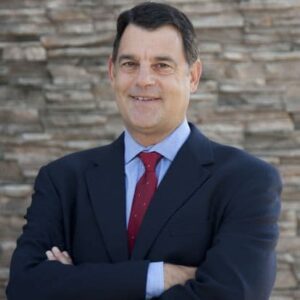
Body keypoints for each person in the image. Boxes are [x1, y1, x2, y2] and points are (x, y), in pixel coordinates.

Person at [6, 2, 282, 300]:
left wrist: (73, 283)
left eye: (162, 65)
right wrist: (157, 276)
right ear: (112, 72)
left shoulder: (246, 182)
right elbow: (24, 287)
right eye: (130, 64)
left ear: (193, 76)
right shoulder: (62, 181)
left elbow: (233, 296)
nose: (143, 80)